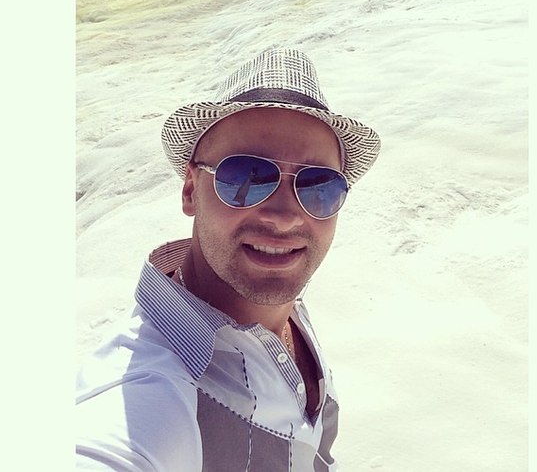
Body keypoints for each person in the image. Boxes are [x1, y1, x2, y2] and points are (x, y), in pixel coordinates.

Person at [76, 48, 381, 471]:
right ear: (190, 190)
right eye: (246, 177)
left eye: (318, 185)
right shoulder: (147, 391)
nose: (286, 216)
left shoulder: (282, 306)